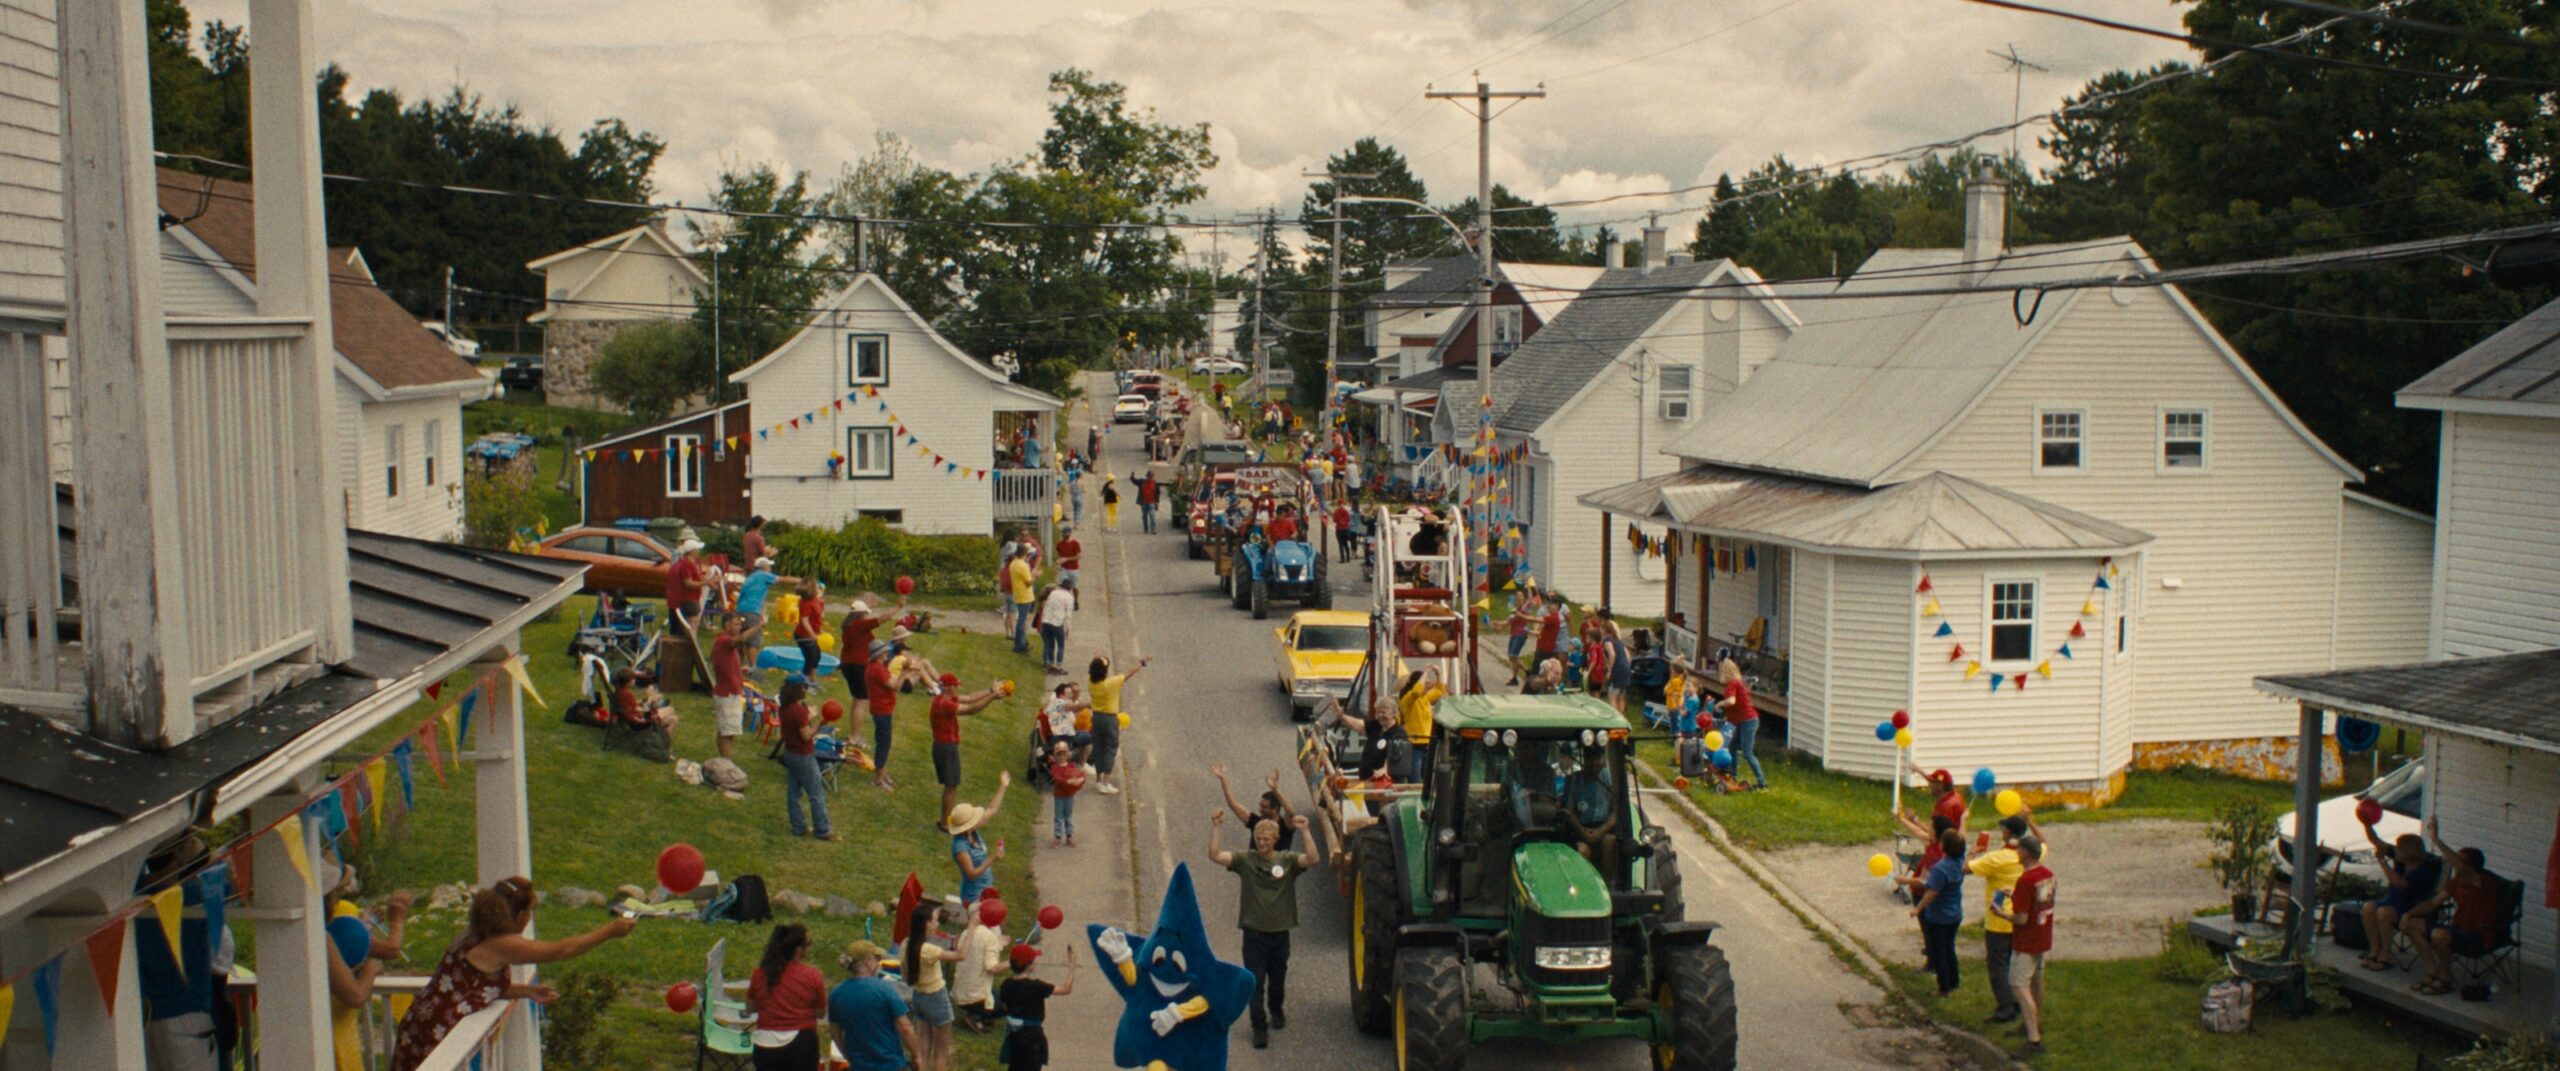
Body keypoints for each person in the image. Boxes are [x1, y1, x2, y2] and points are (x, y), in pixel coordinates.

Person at [389, 878, 634, 1071]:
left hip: (420, 1025)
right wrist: (608, 932)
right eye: (529, 913)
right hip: (439, 1034)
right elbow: (561, 950)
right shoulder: (500, 944)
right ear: (518, 916)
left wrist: (525, 991)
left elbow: (470, 985)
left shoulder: (474, 934)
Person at [1209, 804, 1328, 1050]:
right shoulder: (1245, 860)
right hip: (1254, 934)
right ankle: (1259, 1027)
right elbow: (1215, 855)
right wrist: (1217, 828)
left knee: (1277, 980)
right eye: (1258, 838)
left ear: (1275, 841)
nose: (1261, 843)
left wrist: (1305, 832)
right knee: (1255, 982)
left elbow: (1313, 859)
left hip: (1280, 933)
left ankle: (1276, 1008)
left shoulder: (1287, 861)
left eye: (1266, 839)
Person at [1968, 808, 2048, 1024]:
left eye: (2003, 828)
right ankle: (2020, 1001)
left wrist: (1973, 853)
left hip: (1998, 919)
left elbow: (1966, 869)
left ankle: (2006, 1006)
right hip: (2021, 917)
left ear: (2007, 832)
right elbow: (2043, 843)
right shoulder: (2029, 854)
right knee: (2016, 963)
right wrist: (2031, 821)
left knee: (1998, 965)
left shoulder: (1997, 858)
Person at [2405, 818, 2497, 995]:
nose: (2455, 863)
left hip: (2477, 935)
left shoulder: (2483, 882)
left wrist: (2436, 840)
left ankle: (2445, 979)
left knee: (2440, 935)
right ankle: (2433, 971)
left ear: (2471, 867)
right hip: (2456, 930)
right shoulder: (2456, 882)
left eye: (2460, 860)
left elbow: (2459, 865)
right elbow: (2433, 903)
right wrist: (2408, 914)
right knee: (2412, 923)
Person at [1990, 836, 2054, 1056]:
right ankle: (2033, 1024)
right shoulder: (2047, 875)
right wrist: (2015, 895)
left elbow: (2021, 919)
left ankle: (2033, 1040)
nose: (2017, 854)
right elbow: (2039, 901)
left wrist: (2002, 913)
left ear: (2026, 852)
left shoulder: (2025, 880)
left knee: (2019, 986)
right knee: (2036, 982)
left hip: (2026, 941)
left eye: (2019, 851)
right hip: (2043, 936)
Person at [2357, 823, 2443, 971]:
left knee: (2384, 913)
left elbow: (2399, 883)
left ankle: (2385, 955)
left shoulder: (2424, 870)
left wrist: (2382, 861)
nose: (2395, 849)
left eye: (2398, 848)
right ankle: (2374, 950)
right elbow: (2375, 840)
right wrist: (2367, 824)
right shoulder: (2401, 859)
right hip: (2393, 901)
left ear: (2407, 852)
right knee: (2368, 907)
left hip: (2413, 907)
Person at [829, 940, 923, 1071]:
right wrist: (917, 1055)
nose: (879, 962)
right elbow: (905, 1027)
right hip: (891, 1064)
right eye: (877, 958)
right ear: (868, 961)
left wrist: (849, 1057)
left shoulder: (836, 994)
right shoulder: (884, 990)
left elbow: (835, 1033)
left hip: (859, 1066)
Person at [747, 923, 828, 1071]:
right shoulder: (812, 975)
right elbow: (821, 1013)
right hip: (800, 1043)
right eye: (807, 944)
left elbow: (751, 1006)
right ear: (798, 949)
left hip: (765, 1043)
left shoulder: (760, 973)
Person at [930, 674, 1006, 828]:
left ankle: (945, 820)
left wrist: (990, 690)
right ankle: (944, 823)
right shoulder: (944, 703)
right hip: (946, 747)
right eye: (954, 686)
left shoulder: (945, 699)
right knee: (951, 785)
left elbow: (970, 697)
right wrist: (992, 697)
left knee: (951, 785)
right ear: (948, 687)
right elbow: (970, 709)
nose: (956, 688)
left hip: (943, 746)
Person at [903, 900, 966, 1071]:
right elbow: (961, 955)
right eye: (935, 920)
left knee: (922, 1048)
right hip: (936, 996)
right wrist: (971, 930)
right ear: (927, 924)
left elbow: (905, 973)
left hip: (918, 995)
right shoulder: (928, 949)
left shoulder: (906, 944)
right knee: (941, 1051)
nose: (937, 923)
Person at [774, 675, 837, 841]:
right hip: (803, 755)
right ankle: (823, 830)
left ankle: (798, 826)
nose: (806, 690)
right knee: (816, 794)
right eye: (804, 687)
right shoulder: (799, 711)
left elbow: (796, 727)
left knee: (793, 793)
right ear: (797, 689)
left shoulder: (785, 707)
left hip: (790, 754)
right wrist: (820, 723)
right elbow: (806, 736)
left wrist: (808, 718)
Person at [997, 941, 1076, 1071]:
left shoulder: (1006, 984)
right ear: (1028, 965)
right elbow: (1066, 989)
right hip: (1033, 1038)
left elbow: (1005, 1006)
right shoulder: (1036, 987)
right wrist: (1072, 965)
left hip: (1014, 1036)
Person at [1911, 829, 1967, 1000]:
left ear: (1943, 846)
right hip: (1955, 913)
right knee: (1950, 948)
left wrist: (1918, 908)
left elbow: (1931, 892)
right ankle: (1954, 981)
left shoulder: (1940, 869)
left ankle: (1943, 988)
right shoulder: (1960, 862)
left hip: (1938, 916)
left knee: (1938, 952)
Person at [1087, 655, 1152, 795]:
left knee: (1098, 747)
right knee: (1110, 748)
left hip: (1096, 717)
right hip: (1109, 719)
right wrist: (1142, 662)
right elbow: (1129, 673)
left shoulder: (1090, 682)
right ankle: (1106, 782)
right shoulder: (1111, 683)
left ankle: (1098, 780)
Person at [948, 771, 1013, 903]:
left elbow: (991, 810)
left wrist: (1003, 786)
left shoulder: (972, 831)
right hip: (974, 896)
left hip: (985, 889)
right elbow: (971, 874)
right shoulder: (960, 847)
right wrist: (992, 859)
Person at [1212, 764, 1299, 852]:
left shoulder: (1285, 826)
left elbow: (1291, 813)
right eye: (1260, 805)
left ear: (1275, 809)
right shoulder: (1256, 822)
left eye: (1264, 807)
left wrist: (1275, 789)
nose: (1260, 809)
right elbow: (1233, 804)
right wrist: (1223, 779)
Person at [953, 899, 1009, 1032]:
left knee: (1000, 994)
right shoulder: (990, 938)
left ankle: (978, 1013)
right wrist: (1012, 962)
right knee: (1012, 1001)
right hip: (975, 996)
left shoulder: (967, 932)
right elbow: (991, 967)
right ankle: (978, 1016)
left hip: (959, 992)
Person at [838, 594, 903, 702]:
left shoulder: (847, 626)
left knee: (856, 698)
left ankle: (855, 719)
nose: (867, 616)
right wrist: (898, 607)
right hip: (858, 665)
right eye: (866, 614)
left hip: (846, 664)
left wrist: (868, 606)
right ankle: (857, 719)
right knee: (862, 701)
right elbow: (883, 618)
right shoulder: (860, 625)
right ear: (861, 614)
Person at [1716, 659, 1767, 790]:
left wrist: (1720, 704)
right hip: (1742, 720)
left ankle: (1762, 782)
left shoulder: (1732, 684)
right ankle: (1732, 775)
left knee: (1747, 752)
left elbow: (1732, 701)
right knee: (1732, 746)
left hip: (1747, 720)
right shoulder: (1739, 683)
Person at [710, 613, 755, 759]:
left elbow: (724, 664)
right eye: (736, 624)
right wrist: (760, 626)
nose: (739, 627)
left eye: (740, 625)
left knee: (726, 730)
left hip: (731, 692)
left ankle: (723, 760)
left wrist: (740, 670)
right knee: (727, 733)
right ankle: (726, 763)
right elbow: (742, 638)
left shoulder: (726, 643)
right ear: (727, 625)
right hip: (727, 694)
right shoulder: (724, 640)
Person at [1397, 668, 1447, 779]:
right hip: (1414, 744)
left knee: (1426, 776)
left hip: (1426, 742)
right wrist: (1426, 672)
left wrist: (1439, 674)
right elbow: (1415, 692)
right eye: (1425, 682)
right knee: (1415, 776)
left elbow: (1440, 690)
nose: (1427, 685)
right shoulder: (1408, 699)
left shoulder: (1424, 698)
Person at [1048, 740, 1088, 846]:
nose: (1061, 757)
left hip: (1069, 796)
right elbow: (1057, 779)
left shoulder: (1071, 767)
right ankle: (1057, 836)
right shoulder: (1055, 768)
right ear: (1055, 756)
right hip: (1059, 796)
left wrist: (1080, 780)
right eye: (1059, 754)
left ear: (1067, 755)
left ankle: (1069, 836)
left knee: (1068, 817)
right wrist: (1069, 781)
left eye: (1064, 754)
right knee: (1058, 817)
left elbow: (1081, 775)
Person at [614, 667, 679, 731]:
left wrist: (645, 700)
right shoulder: (626, 694)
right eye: (633, 679)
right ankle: (661, 737)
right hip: (641, 721)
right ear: (628, 682)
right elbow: (644, 711)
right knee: (672, 713)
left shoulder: (620, 691)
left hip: (635, 718)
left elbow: (633, 705)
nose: (634, 680)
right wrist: (650, 697)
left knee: (669, 713)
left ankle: (658, 733)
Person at [736, 557, 786, 631]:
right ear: (764, 566)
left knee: (743, 635)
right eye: (769, 566)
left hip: (740, 610)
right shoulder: (763, 575)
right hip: (751, 611)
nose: (770, 568)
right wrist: (801, 581)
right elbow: (785, 579)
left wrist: (762, 614)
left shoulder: (753, 576)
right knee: (754, 638)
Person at [1039, 578, 1076, 673]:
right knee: (1061, 645)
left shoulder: (1053, 593)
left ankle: (1049, 663)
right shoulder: (1069, 597)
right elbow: (1068, 615)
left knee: (1049, 644)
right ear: (1070, 588)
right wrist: (1068, 628)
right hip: (1057, 622)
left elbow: (1047, 606)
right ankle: (1058, 666)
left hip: (1046, 621)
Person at [793, 578, 828, 677]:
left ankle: (812, 682)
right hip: (803, 635)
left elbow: (818, 616)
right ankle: (804, 682)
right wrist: (812, 633)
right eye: (817, 586)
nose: (819, 588)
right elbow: (805, 621)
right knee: (811, 659)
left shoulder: (815, 600)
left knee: (816, 657)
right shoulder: (806, 604)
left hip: (810, 635)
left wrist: (819, 628)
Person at [1008, 547, 1037, 655]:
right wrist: (1034, 574)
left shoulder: (1013, 563)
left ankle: (1021, 642)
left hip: (1018, 594)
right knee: (1022, 620)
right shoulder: (1023, 566)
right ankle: (1019, 645)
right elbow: (1029, 582)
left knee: (1021, 619)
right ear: (1025, 554)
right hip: (1025, 595)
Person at [1054, 527, 1082, 605]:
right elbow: (1058, 554)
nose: (1064, 534)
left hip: (1073, 569)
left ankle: (1076, 601)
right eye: (1063, 533)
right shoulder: (1059, 544)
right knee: (1063, 586)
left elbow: (1078, 557)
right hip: (1063, 568)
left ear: (1070, 533)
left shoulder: (1075, 544)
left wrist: (1066, 559)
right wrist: (1059, 560)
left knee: (1074, 587)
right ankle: (1065, 602)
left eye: (1065, 533)